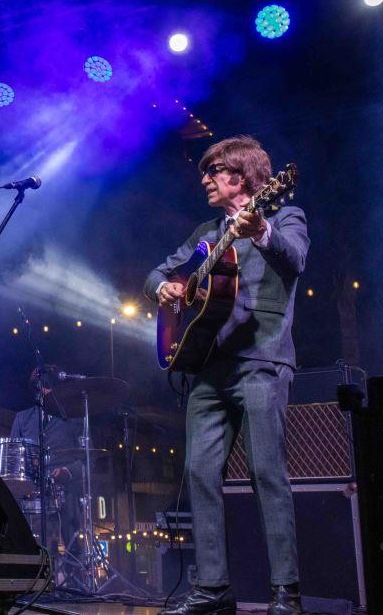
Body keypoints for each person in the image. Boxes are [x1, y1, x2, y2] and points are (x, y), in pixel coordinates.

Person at [144, 136, 308, 615]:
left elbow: (294, 259)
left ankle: (286, 592)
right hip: (208, 368)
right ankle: (213, 589)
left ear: (240, 175)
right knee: (199, 473)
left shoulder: (284, 216)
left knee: (266, 473)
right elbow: (155, 273)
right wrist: (167, 288)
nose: (205, 179)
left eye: (213, 170)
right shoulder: (204, 232)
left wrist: (259, 232)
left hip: (262, 360)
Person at [10, 367, 81, 566]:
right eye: (43, 390)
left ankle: (75, 578)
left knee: (72, 541)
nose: (47, 395)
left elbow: (88, 458)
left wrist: (67, 472)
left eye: (52, 391)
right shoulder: (22, 418)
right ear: (37, 392)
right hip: (31, 494)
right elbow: (14, 459)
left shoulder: (74, 419)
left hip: (66, 492)